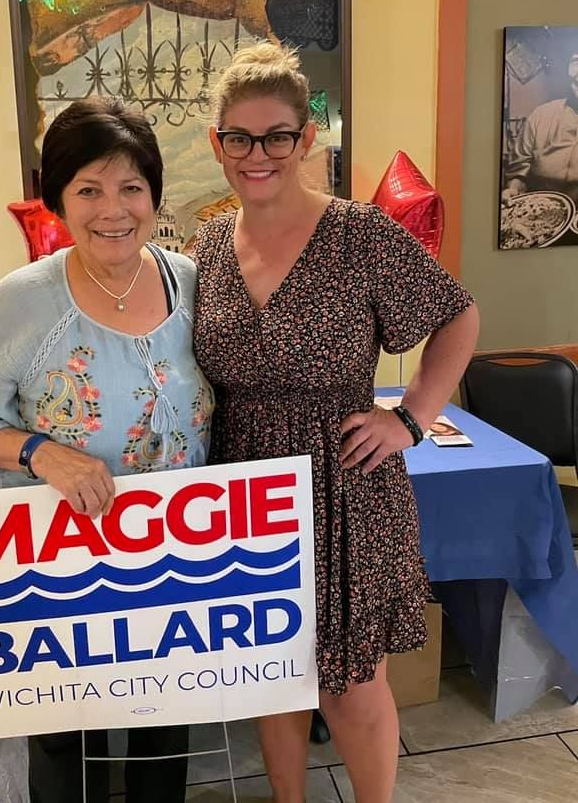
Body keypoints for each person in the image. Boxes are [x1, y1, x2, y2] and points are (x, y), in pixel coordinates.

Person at [192, 43, 480, 803]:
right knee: (271, 677)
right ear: (217, 143)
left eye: (278, 135)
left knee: (352, 685)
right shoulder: (210, 244)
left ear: (306, 138)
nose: (259, 155)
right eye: (241, 138)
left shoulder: (361, 235)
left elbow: (458, 316)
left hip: (346, 485)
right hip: (245, 486)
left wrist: (412, 419)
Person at [0, 96, 214, 803]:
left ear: (154, 194)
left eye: (130, 187)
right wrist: (41, 453)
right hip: (60, 565)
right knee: (65, 740)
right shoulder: (23, 299)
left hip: (174, 559)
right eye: (88, 189)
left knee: (163, 732)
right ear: (57, 199)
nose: (112, 208)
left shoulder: (192, 282)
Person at [502, 48, 578, 202]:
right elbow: (519, 171)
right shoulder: (541, 115)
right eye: (575, 61)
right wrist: (513, 189)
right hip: (539, 215)